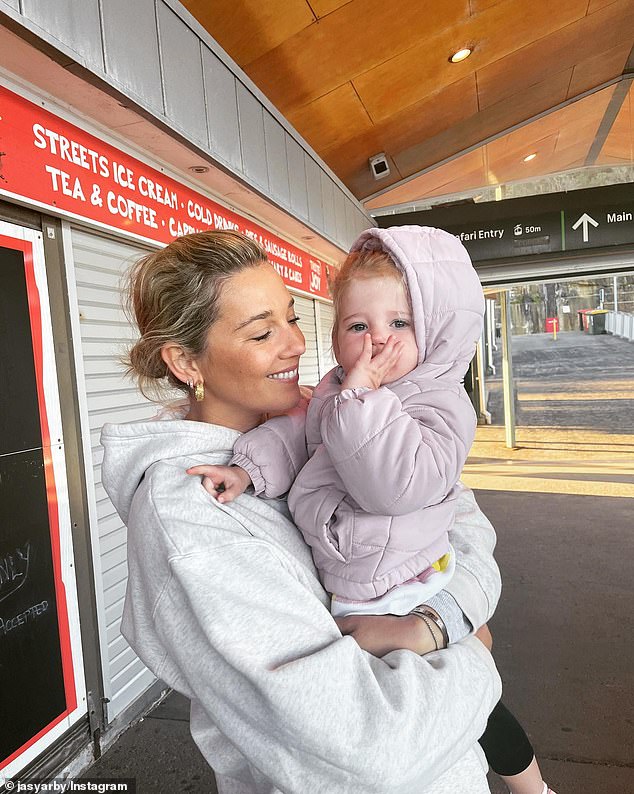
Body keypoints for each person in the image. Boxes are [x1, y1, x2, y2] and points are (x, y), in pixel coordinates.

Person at [101, 229, 503, 794]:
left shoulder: (326, 417)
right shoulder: (193, 522)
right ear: (186, 361)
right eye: (263, 331)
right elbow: (369, 749)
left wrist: (443, 620)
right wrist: (474, 651)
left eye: (292, 317)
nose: (295, 343)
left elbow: (463, 523)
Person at [188, 226, 555, 794]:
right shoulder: (336, 391)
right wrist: (248, 472)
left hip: (402, 580)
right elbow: (297, 440)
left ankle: (531, 786)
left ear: (435, 332)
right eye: (358, 326)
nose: (377, 343)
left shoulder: (439, 405)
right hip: (357, 580)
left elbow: (393, 487)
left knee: (467, 711)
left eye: (399, 324)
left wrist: (440, 623)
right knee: (453, 709)